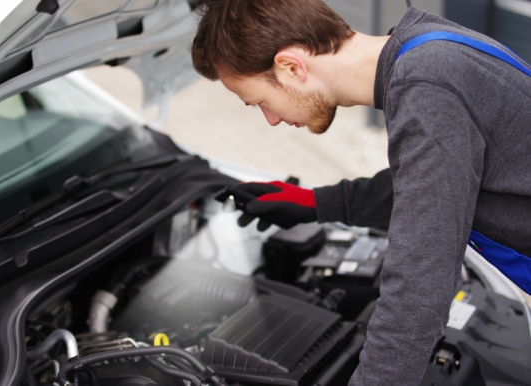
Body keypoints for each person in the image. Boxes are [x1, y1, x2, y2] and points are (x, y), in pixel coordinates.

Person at [191, 0, 531, 385]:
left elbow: (418, 288)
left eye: (260, 103)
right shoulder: (427, 49)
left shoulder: (424, 88)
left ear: (291, 66)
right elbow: (443, 185)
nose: (270, 120)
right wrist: (313, 204)